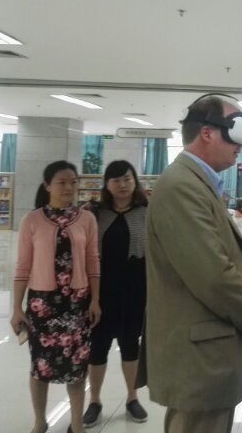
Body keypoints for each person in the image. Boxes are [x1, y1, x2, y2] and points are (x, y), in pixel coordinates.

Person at [143, 93, 242, 433]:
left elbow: (234, 257)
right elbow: (213, 274)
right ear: (206, 132)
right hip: (198, 359)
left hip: (210, 352)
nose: (240, 146)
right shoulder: (181, 186)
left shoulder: (200, 184)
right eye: (235, 133)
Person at [11, 160, 101, 433]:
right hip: (42, 305)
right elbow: (22, 267)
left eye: (73, 182)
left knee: (77, 367)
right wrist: (17, 308)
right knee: (40, 368)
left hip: (77, 304)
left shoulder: (87, 219)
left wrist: (95, 300)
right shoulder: (32, 220)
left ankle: (77, 423)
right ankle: (40, 421)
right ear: (47, 186)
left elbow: (93, 262)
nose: (69, 187)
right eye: (62, 182)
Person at [82, 160, 149, 428]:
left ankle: (132, 398)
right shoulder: (94, 213)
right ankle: (94, 401)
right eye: (116, 180)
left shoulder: (147, 212)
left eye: (127, 179)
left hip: (135, 291)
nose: (122, 185)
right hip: (100, 292)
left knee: (130, 344)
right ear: (107, 185)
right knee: (97, 347)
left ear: (135, 181)